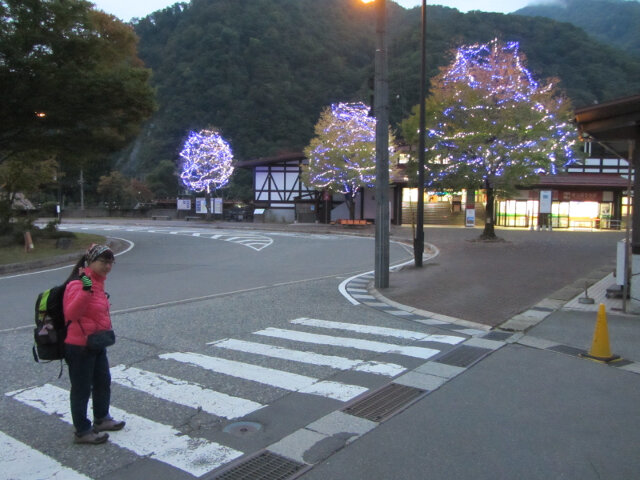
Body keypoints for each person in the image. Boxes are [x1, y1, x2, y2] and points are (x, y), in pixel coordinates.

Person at [63, 244, 125, 444]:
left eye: (110, 262)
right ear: (90, 262)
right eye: (103, 262)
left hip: (96, 342)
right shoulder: (79, 284)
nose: (107, 266)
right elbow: (71, 314)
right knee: (81, 389)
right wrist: (86, 289)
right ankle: (82, 431)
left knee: (102, 382)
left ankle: (102, 419)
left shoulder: (97, 283)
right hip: (79, 346)